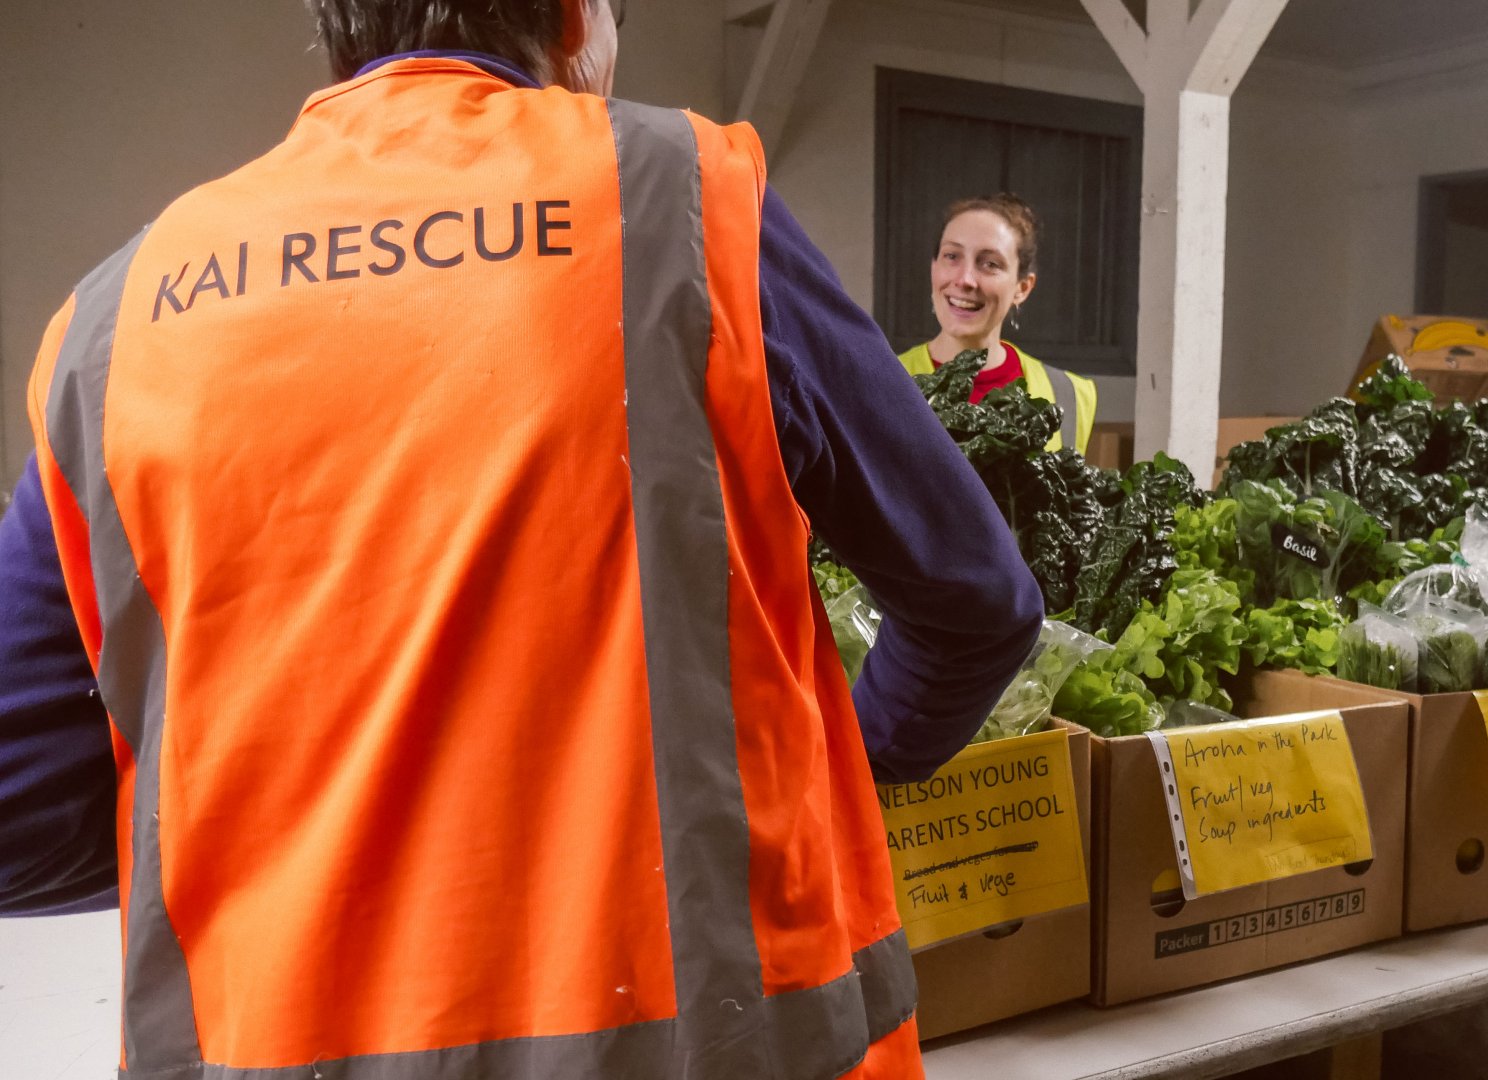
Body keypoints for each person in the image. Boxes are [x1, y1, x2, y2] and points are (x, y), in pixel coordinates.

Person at [0, 2, 1043, 1078]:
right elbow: (977, 600)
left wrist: (275, 833)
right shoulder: (676, 200)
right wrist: (836, 771)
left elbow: (14, 801)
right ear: (576, 13)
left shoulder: (120, 316)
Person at [896, 194, 1098, 454]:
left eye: (990, 263)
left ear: (1022, 287)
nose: (965, 279)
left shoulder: (1070, 395)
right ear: (934, 267)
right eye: (952, 256)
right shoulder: (884, 381)